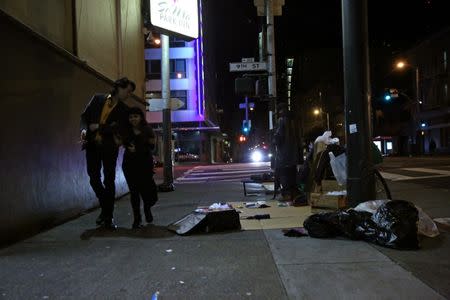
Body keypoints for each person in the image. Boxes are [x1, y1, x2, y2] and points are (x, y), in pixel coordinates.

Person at [80, 77, 135, 229]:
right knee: (93, 177)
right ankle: (106, 207)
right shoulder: (98, 99)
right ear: (119, 87)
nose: (128, 95)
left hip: (110, 148)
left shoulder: (124, 110)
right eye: (128, 91)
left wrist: (98, 126)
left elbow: (120, 128)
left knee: (109, 180)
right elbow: (85, 116)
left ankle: (108, 216)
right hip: (92, 145)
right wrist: (84, 130)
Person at [120, 107, 158, 229]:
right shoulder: (126, 130)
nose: (133, 119)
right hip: (129, 165)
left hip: (145, 164)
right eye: (131, 117)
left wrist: (139, 148)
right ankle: (137, 219)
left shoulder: (147, 129)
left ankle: (147, 208)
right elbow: (121, 142)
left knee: (148, 191)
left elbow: (152, 147)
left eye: (135, 116)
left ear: (140, 117)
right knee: (134, 192)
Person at [273, 103, 307, 205]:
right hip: (294, 155)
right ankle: (294, 194)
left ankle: (286, 194)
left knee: (284, 175)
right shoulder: (295, 121)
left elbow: (279, 137)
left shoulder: (281, 121)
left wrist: (273, 139)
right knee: (292, 174)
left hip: (284, 155)